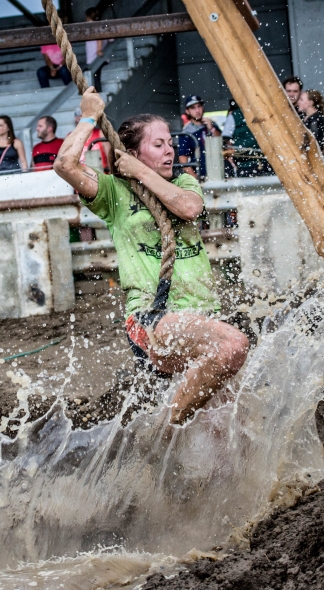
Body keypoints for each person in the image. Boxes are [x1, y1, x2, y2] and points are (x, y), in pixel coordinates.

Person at [52, 88, 249, 424]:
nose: (169, 150)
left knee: (227, 428)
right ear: (132, 153)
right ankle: (166, 429)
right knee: (232, 346)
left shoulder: (185, 182)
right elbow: (65, 165)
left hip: (204, 315)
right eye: (158, 145)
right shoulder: (114, 192)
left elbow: (189, 208)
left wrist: (142, 172)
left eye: (170, 143)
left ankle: (162, 442)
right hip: (152, 315)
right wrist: (88, 117)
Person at [176, 95, 221, 180]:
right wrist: (197, 179)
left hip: (220, 171)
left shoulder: (212, 124)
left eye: (199, 106)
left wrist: (212, 129)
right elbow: (183, 161)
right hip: (202, 176)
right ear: (187, 111)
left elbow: (223, 143)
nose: (197, 110)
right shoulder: (186, 132)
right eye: (193, 108)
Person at [76, 108, 112, 172]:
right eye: (81, 117)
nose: (84, 120)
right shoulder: (71, 137)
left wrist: (111, 174)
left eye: (86, 117)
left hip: (102, 174)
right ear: (76, 119)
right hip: (81, 175)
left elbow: (110, 157)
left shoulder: (100, 134)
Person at [297, 89, 324, 155]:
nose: (298, 102)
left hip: (312, 155)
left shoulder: (315, 119)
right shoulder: (307, 117)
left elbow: (313, 140)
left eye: (301, 100)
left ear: (310, 103)